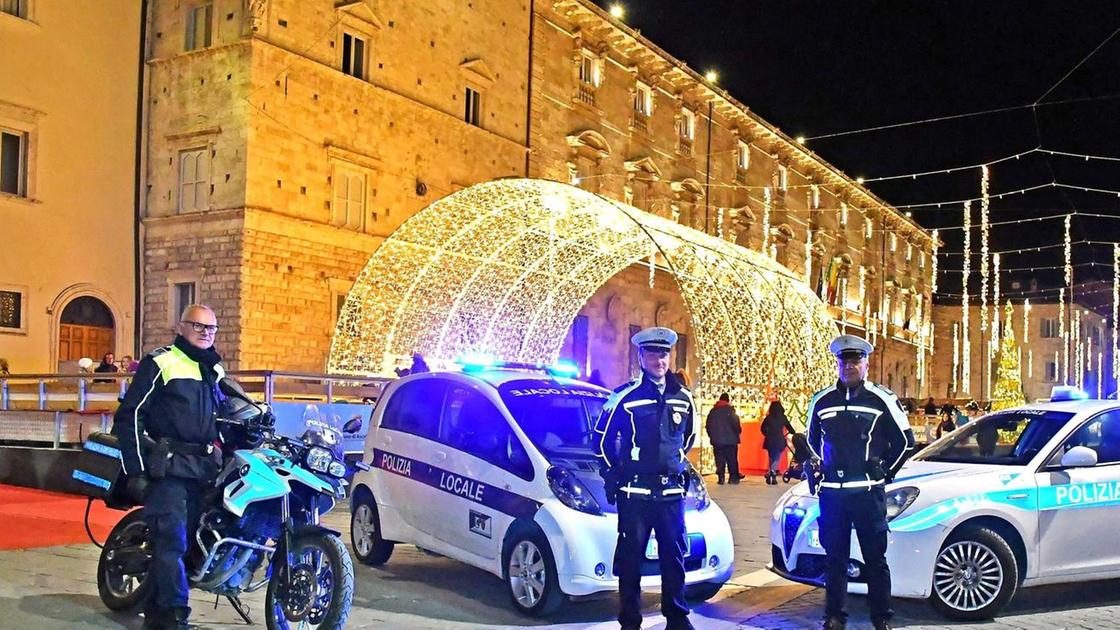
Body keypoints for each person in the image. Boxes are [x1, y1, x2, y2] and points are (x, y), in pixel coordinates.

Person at [112, 304, 232, 629]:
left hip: (204, 469)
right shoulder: (161, 361)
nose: (206, 332)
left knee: (192, 544)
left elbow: (228, 414)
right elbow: (130, 415)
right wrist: (136, 470)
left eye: (211, 328)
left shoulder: (214, 370)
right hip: (170, 468)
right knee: (172, 542)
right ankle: (174, 616)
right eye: (198, 325)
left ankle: (157, 613)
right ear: (181, 327)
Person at [806, 334, 915, 630]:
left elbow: (906, 442)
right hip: (833, 496)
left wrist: (884, 473)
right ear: (837, 364)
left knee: (875, 560)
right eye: (844, 361)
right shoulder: (822, 400)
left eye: (855, 361)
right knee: (835, 560)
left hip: (867, 494)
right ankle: (834, 616)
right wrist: (821, 466)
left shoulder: (882, 399)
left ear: (866, 363)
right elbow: (812, 441)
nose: (849, 366)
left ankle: (881, 617)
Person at [595, 326, 697, 630]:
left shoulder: (684, 398)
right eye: (652, 353)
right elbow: (601, 441)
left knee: (673, 559)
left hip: (670, 495)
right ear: (641, 356)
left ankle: (677, 619)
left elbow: (687, 438)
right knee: (630, 561)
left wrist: (675, 463)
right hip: (635, 493)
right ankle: (630, 621)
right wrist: (615, 472)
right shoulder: (624, 396)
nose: (659, 360)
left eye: (664, 354)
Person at [705, 392, 741, 485]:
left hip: (717, 441)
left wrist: (712, 436)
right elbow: (736, 424)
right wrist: (737, 433)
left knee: (719, 459)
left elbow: (708, 426)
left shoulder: (713, 411)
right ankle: (733, 478)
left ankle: (721, 477)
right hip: (731, 441)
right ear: (728, 400)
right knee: (732, 459)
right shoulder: (730, 411)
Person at [761, 398, 796, 485]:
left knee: (771, 457)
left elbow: (762, 428)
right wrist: (791, 432)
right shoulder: (783, 417)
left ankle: (771, 473)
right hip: (779, 440)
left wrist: (767, 433)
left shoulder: (768, 418)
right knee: (777, 458)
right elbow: (791, 429)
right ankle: (773, 472)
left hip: (770, 440)